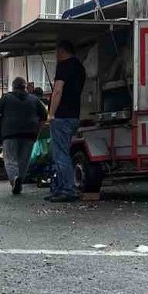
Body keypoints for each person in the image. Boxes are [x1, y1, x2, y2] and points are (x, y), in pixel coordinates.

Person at [0, 76, 48, 195]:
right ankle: (20, 181)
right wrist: (38, 130)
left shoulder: (6, 98)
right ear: (25, 87)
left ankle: (14, 179)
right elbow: (44, 116)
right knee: (24, 160)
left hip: (9, 134)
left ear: (13, 86)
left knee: (10, 159)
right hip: (29, 134)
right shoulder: (34, 99)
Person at [48, 39, 86, 203]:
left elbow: (57, 91)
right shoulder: (80, 67)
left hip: (61, 116)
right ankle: (61, 188)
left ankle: (66, 189)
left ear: (62, 51)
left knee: (60, 154)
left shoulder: (64, 66)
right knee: (63, 152)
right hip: (74, 115)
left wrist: (51, 114)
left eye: (57, 52)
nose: (56, 55)